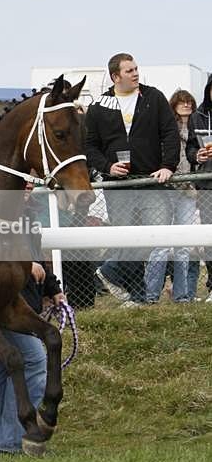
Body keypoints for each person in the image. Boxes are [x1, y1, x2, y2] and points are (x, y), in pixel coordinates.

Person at [85, 53, 180, 306]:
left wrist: (168, 166)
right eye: (129, 71)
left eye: (136, 68)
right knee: (129, 239)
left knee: (155, 237)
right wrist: (107, 166)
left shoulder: (154, 97)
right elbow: (89, 146)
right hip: (118, 186)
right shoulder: (98, 106)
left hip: (152, 181)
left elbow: (170, 133)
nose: (136, 73)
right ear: (116, 76)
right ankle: (138, 296)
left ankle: (109, 270)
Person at [0, 262, 63, 454]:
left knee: (0, 372)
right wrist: (24, 264)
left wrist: (52, 287)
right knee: (35, 361)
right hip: (7, 305)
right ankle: (10, 443)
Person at [144, 90, 198, 303]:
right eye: (181, 102)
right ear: (173, 105)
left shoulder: (196, 129)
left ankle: (182, 295)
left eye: (189, 102)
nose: (186, 105)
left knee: (183, 245)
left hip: (188, 189)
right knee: (161, 245)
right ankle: (150, 295)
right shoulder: (166, 128)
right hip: (166, 189)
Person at [187, 74, 212, 303]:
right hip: (207, 185)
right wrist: (198, 155)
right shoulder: (197, 116)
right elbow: (190, 150)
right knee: (209, 236)